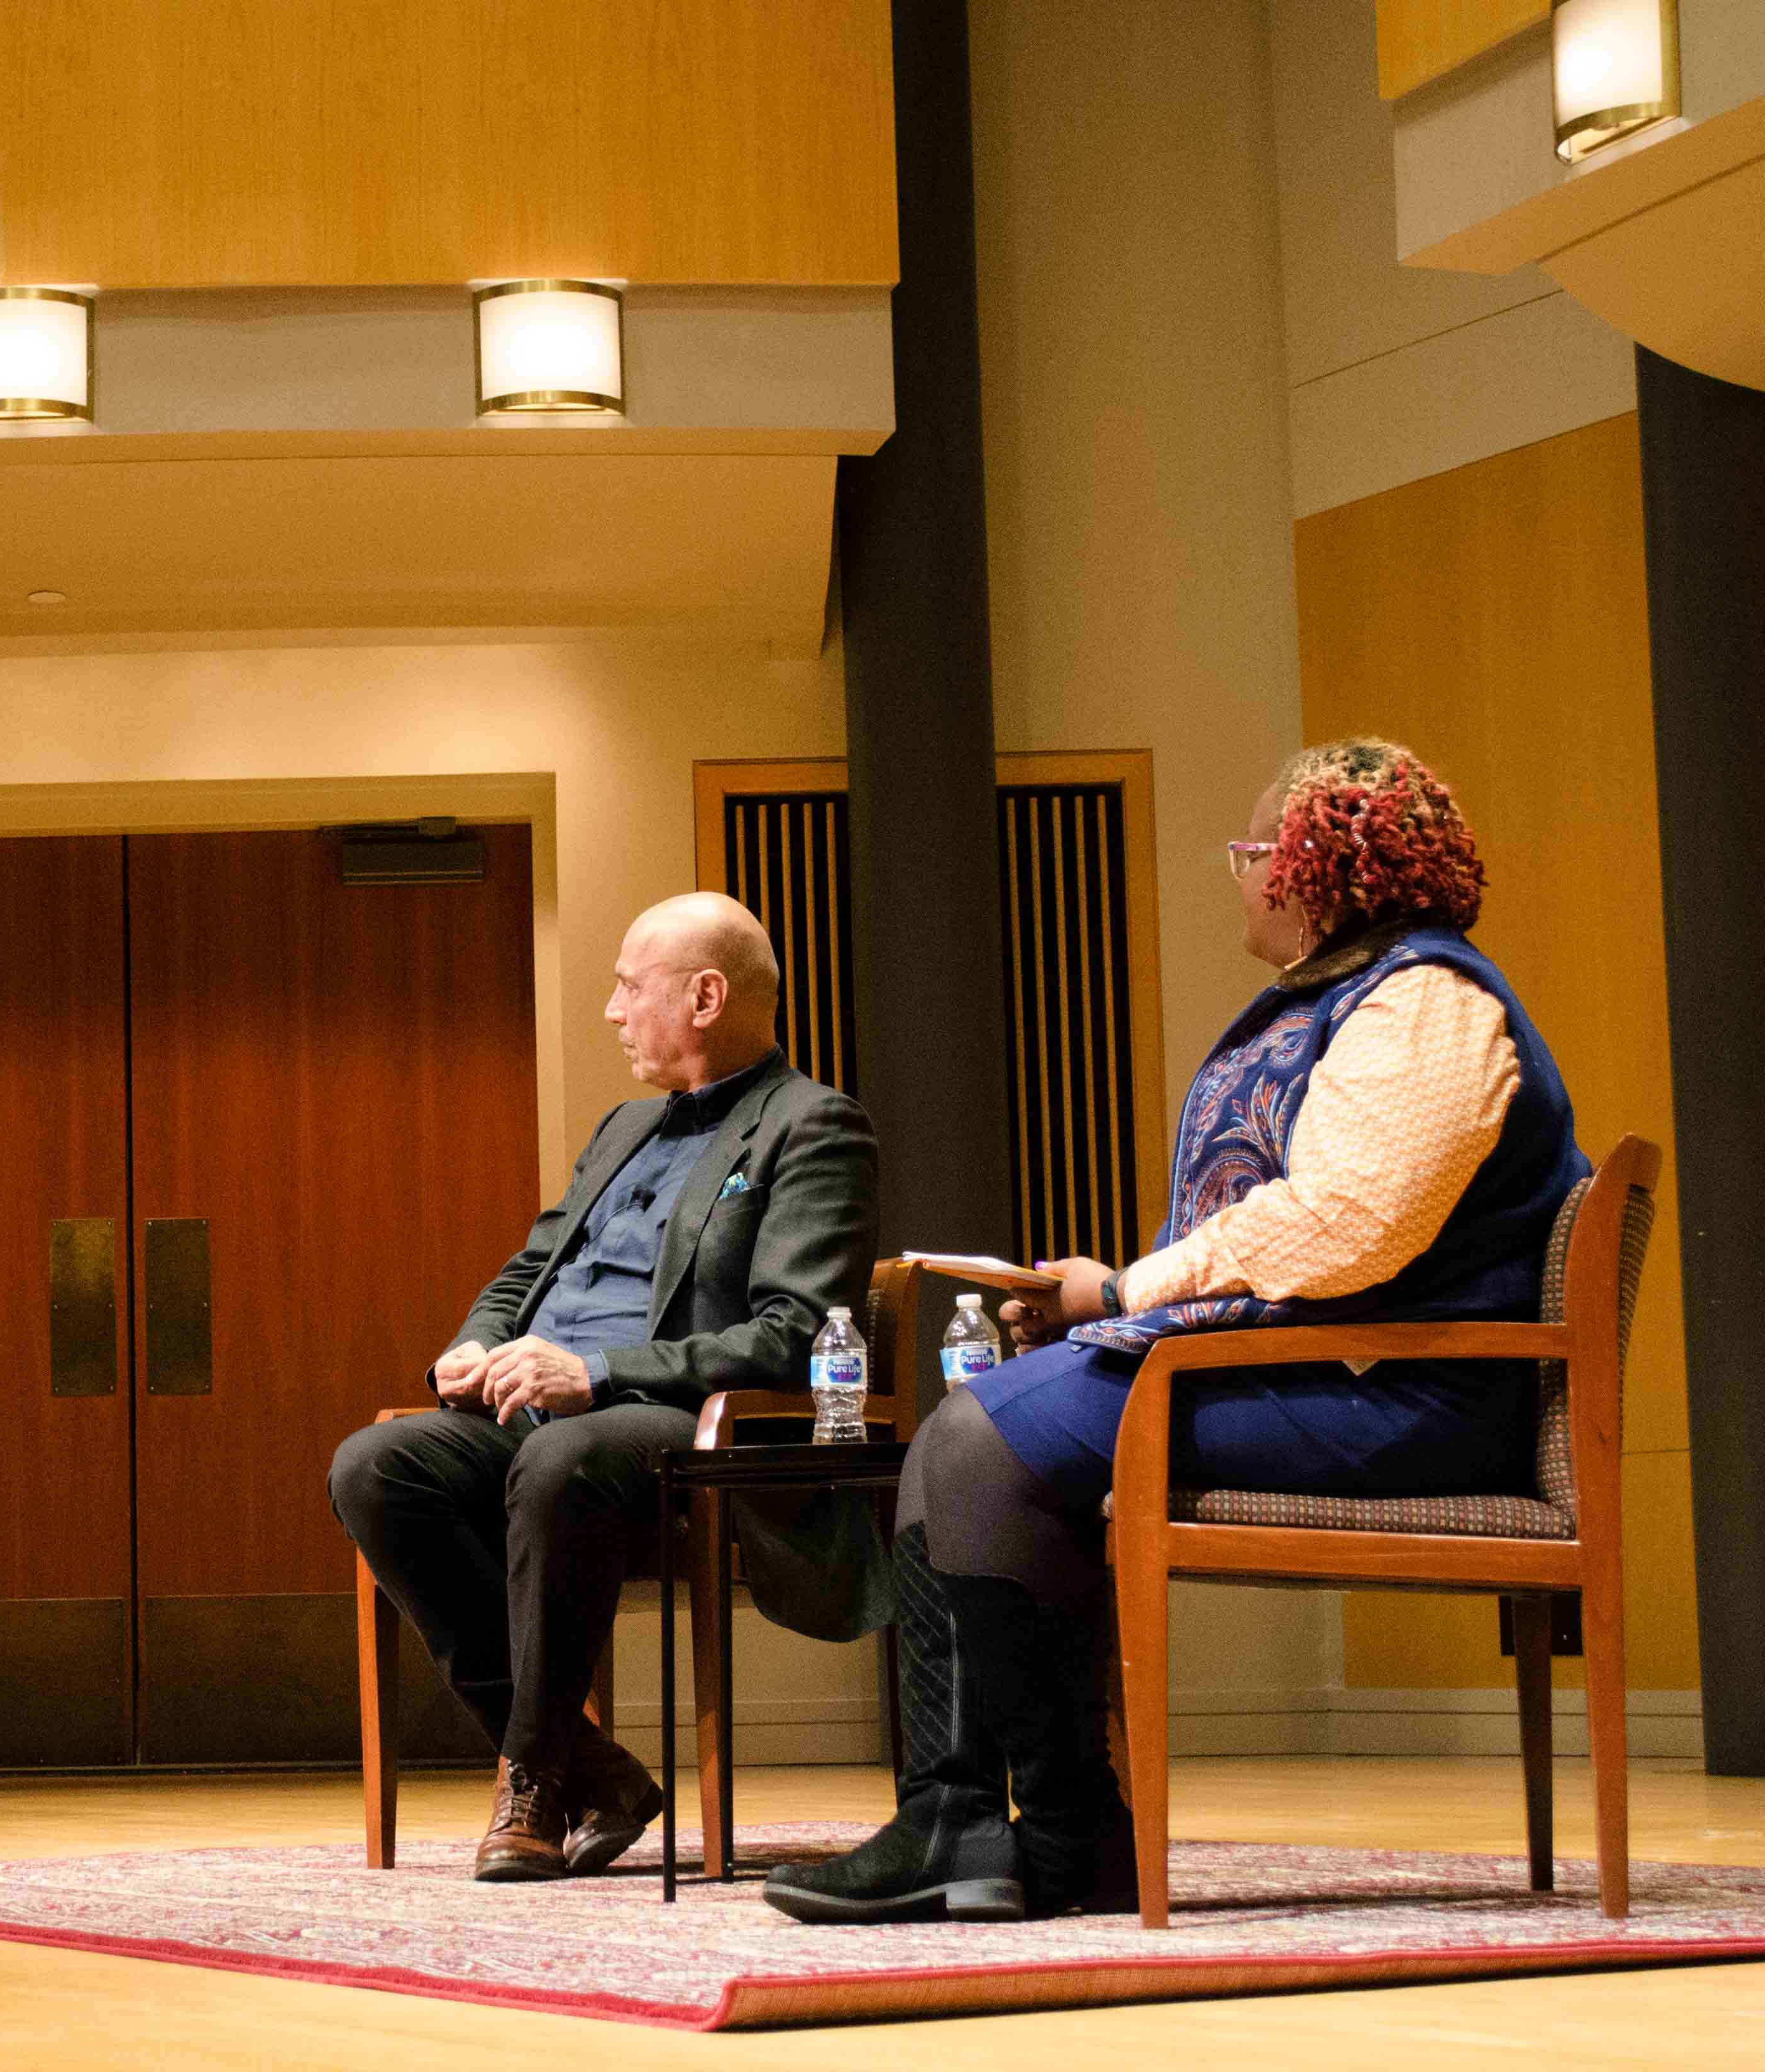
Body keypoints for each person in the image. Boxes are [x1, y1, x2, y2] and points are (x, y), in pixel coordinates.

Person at [765, 740, 1587, 1927]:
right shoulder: (1356, 993)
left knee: (980, 1441)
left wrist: (1119, 1294)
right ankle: (972, 1819)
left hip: (1409, 1393)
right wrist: (1115, 1299)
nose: (1241, 873)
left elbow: (1347, 1225)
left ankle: (1060, 1834)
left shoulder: (1425, 1003)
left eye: (1254, 851)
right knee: (972, 1433)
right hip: (1323, 1367)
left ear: (1310, 872)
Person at [328, 892, 878, 1882]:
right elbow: (529, 1268)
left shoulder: (813, 1127)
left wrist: (599, 1372)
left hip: (671, 1424)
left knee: (561, 1454)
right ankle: (596, 1771)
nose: (613, 1012)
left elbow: (796, 1335)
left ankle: (534, 1775)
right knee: (374, 1465)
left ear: (706, 996)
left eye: (631, 987)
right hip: (543, 1410)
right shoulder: (625, 1125)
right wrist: (475, 1342)